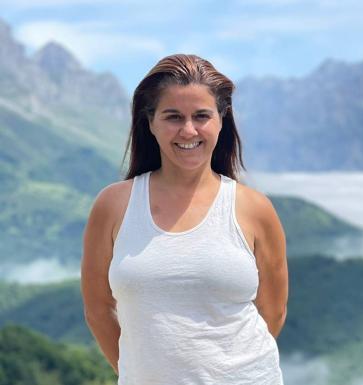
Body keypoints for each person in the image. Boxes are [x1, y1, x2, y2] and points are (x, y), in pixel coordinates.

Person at [80, 54, 288, 385]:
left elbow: (273, 312)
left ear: (221, 120)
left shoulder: (255, 209)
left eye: (201, 116)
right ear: (150, 122)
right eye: (173, 116)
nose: (188, 130)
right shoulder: (113, 205)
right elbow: (98, 309)